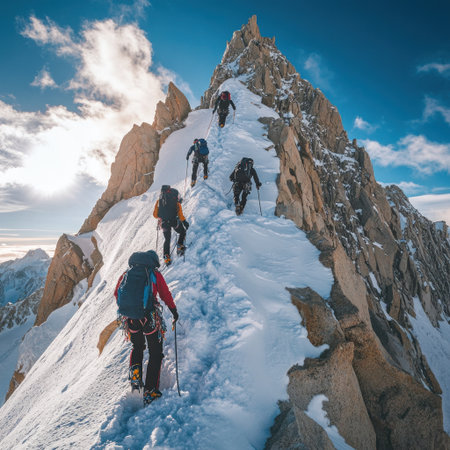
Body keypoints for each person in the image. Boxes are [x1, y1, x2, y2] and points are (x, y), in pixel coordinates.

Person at [114, 250, 179, 406]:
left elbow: (117, 293)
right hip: (149, 317)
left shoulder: (126, 274)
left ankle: (135, 375)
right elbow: (165, 294)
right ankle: (150, 390)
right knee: (155, 352)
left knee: (137, 346)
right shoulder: (154, 274)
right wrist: (174, 311)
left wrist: (130, 309)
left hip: (130, 319)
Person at [153, 185, 189, 265]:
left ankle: (166, 257)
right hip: (174, 221)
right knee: (182, 231)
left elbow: (155, 215)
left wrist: (161, 216)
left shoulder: (159, 201)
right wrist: (184, 222)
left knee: (167, 239)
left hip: (164, 223)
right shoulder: (174, 198)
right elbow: (180, 214)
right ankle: (180, 246)